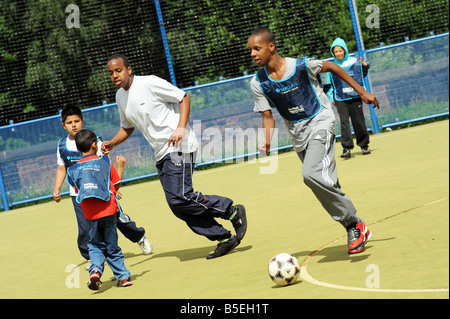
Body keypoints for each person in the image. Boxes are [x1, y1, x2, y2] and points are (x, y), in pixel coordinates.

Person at [102, 54, 247, 259]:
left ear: (129, 69)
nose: (115, 75)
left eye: (118, 70)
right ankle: (224, 238)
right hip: (160, 153)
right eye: (111, 73)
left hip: (179, 145)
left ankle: (231, 210)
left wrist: (180, 128)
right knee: (177, 206)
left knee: (181, 196)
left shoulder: (149, 82)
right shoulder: (120, 96)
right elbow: (127, 126)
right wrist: (112, 143)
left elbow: (183, 97)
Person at [247, 28, 379, 254]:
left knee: (310, 174)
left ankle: (355, 223)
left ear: (271, 47)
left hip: (321, 123)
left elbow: (333, 67)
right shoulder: (258, 83)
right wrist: (266, 141)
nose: (252, 53)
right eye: (250, 50)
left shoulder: (300, 65)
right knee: (327, 184)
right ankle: (353, 227)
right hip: (299, 137)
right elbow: (267, 116)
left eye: (256, 48)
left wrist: (362, 91)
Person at [53, 106, 152, 268]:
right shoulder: (61, 146)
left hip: (102, 190)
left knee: (117, 219)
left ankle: (139, 237)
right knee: (85, 226)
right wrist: (57, 188)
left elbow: (106, 163)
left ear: (82, 121)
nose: (74, 125)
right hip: (79, 194)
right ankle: (91, 257)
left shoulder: (94, 141)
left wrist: (114, 186)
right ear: (63, 125)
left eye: (77, 121)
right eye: (69, 122)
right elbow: (61, 168)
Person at [67, 129, 132, 290]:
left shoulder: (72, 170)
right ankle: (123, 277)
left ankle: (95, 270)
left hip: (90, 214)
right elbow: (116, 185)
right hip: (109, 210)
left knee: (95, 244)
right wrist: (120, 166)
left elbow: (77, 190)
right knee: (112, 245)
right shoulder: (105, 162)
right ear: (94, 145)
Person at [327, 37, 372, 158]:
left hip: (355, 96)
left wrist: (365, 66)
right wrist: (332, 97)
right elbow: (329, 84)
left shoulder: (354, 62)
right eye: (335, 51)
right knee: (344, 123)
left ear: (345, 50)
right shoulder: (331, 66)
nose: (338, 53)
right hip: (340, 98)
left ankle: (364, 145)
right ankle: (346, 148)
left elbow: (362, 75)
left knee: (358, 121)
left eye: (340, 51)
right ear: (333, 53)